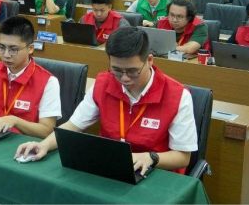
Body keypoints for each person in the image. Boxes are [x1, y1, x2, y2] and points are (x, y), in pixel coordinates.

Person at [15, 27, 197, 175]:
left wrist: (151, 157)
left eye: (132, 71)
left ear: (149, 61)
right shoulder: (103, 83)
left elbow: (183, 157)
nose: (124, 78)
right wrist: (43, 145)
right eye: (116, 70)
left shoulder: (178, 96)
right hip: (110, 168)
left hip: (155, 173)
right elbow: (72, 126)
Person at [0, 17, 61, 138]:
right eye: (1, 47)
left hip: (24, 143)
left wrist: (15, 121)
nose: (6, 55)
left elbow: (47, 131)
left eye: (13, 49)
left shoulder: (48, 82)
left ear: (30, 48)